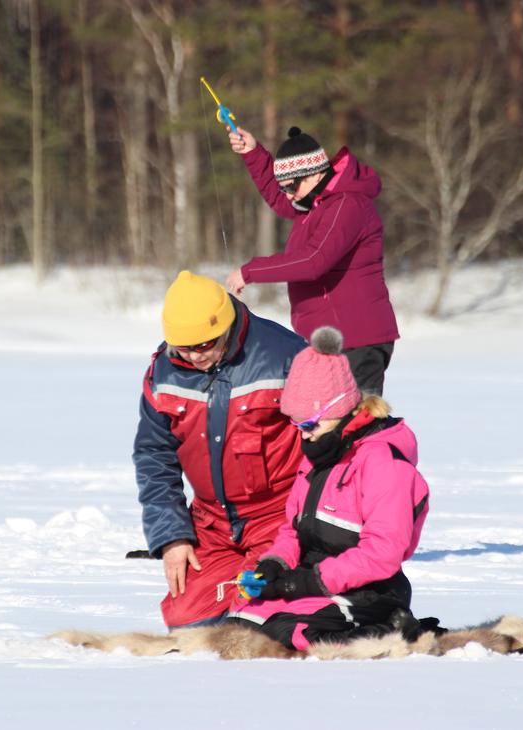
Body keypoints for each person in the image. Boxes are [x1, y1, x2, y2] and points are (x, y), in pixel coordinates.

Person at [226, 325, 430, 650]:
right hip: (318, 582)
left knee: (291, 633)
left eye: (309, 424)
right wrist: (274, 565)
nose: (303, 434)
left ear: (339, 410)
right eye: (296, 424)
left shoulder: (382, 462)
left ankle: (395, 631)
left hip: (371, 590)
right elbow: (294, 530)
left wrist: (307, 582)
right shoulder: (321, 454)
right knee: (240, 623)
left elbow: (383, 553)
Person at [134, 271, 305, 629]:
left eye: (205, 345)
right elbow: (154, 456)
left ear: (225, 326)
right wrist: (172, 537)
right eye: (184, 347)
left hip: (279, 518)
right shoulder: (163, 372)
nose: (195, 356)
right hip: (212, 522)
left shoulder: (286, 356)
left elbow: (329, 442)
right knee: (187, 625)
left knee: (255, 618)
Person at [225, 126, 399, 395]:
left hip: (356, 341)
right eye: (284, 187)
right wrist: (253, 153)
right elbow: (280, 196)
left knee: (355, 420)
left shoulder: (346, 205)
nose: (288, 195)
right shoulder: (315, 203)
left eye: (291, 186)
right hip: (330, 341)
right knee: (320, 420)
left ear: (315, 173)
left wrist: (250, 271)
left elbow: (313, 260)